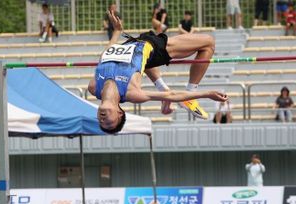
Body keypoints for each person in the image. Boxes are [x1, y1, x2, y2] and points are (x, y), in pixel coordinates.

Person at [88, 11, 228, 134]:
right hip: (153, 48)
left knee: (140, 64)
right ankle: (191, 93)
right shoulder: (132, 93)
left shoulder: (94, 87)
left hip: (133, 43)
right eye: (109, 123)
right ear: (120, 113)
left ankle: (162, 86)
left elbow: (105, 57)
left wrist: (116, 32)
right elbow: (171, 95)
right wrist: (207, 94)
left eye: (101, 122)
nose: (103, 120)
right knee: (208, 43)